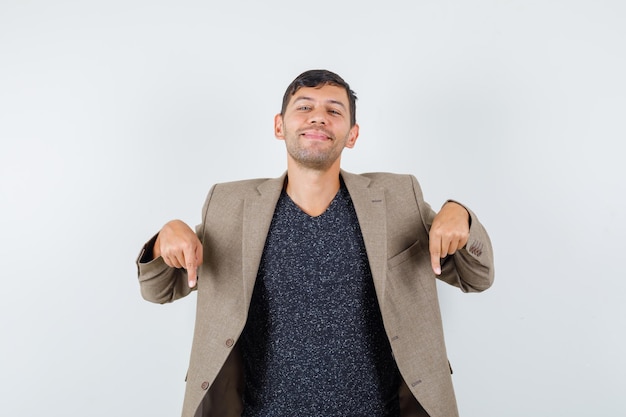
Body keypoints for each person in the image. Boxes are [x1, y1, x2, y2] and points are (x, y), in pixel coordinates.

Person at [136, 69, 494, 417]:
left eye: (334, 110)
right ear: (279, 126)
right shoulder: (230, 205)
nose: (319, 117)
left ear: (352, 134)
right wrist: (163, 239)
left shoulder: (399, 198)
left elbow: (475, 276)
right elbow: (159, 290)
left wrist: (459, 214)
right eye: (304, 107)